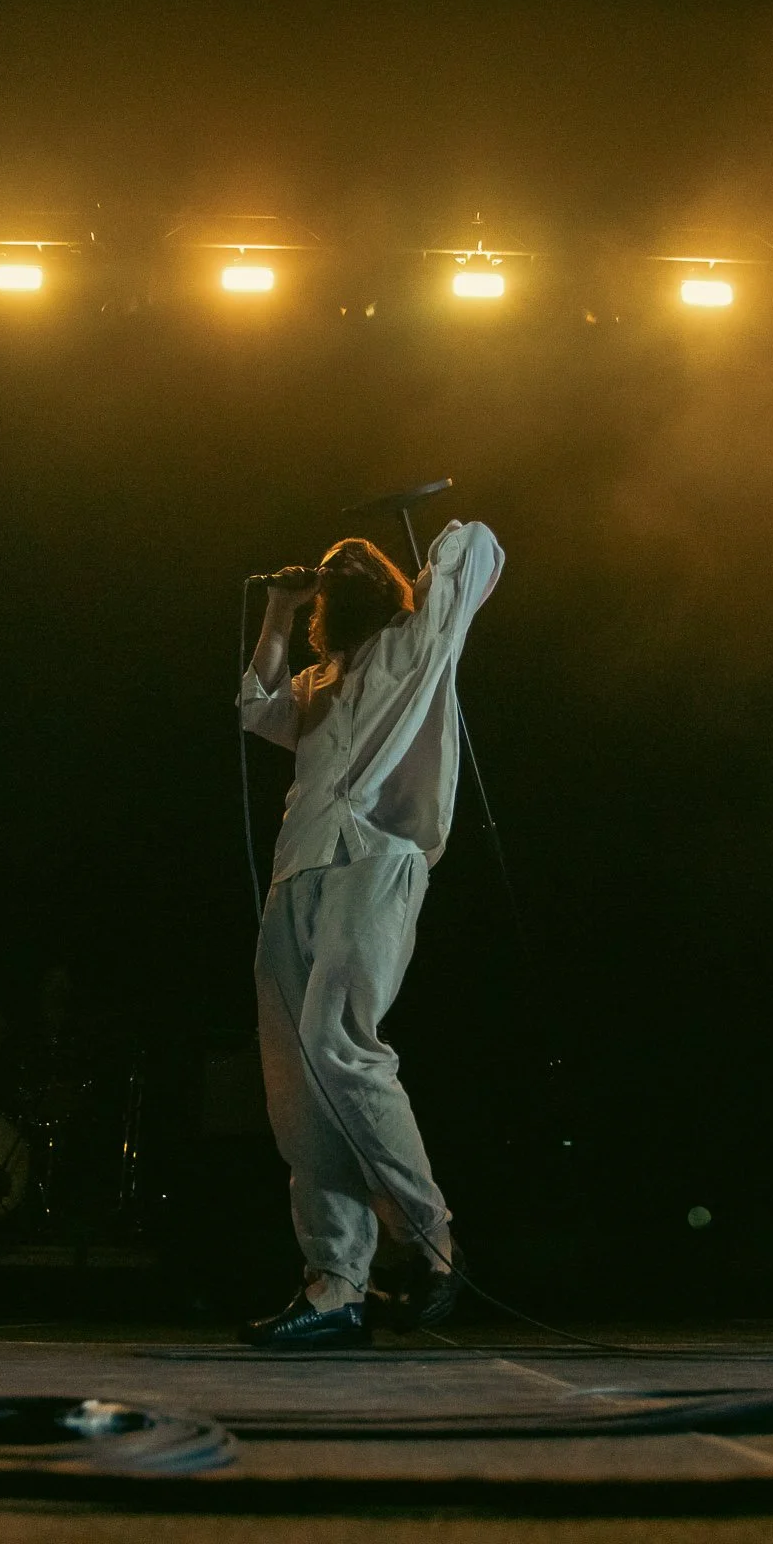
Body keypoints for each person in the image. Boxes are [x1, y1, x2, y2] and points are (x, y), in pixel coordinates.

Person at [235, 519, 503, 1348]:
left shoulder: (415, 649)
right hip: (294, 875)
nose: (338, 571)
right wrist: (280, 614)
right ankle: (334, 1284)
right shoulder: (318, 682)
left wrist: (427, 558)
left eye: (352, 568)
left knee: (338, 1041)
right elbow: (254, 708)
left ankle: (429, 1237)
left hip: (374, 864)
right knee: (294, 1082)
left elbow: (481, 548)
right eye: (329, 570)